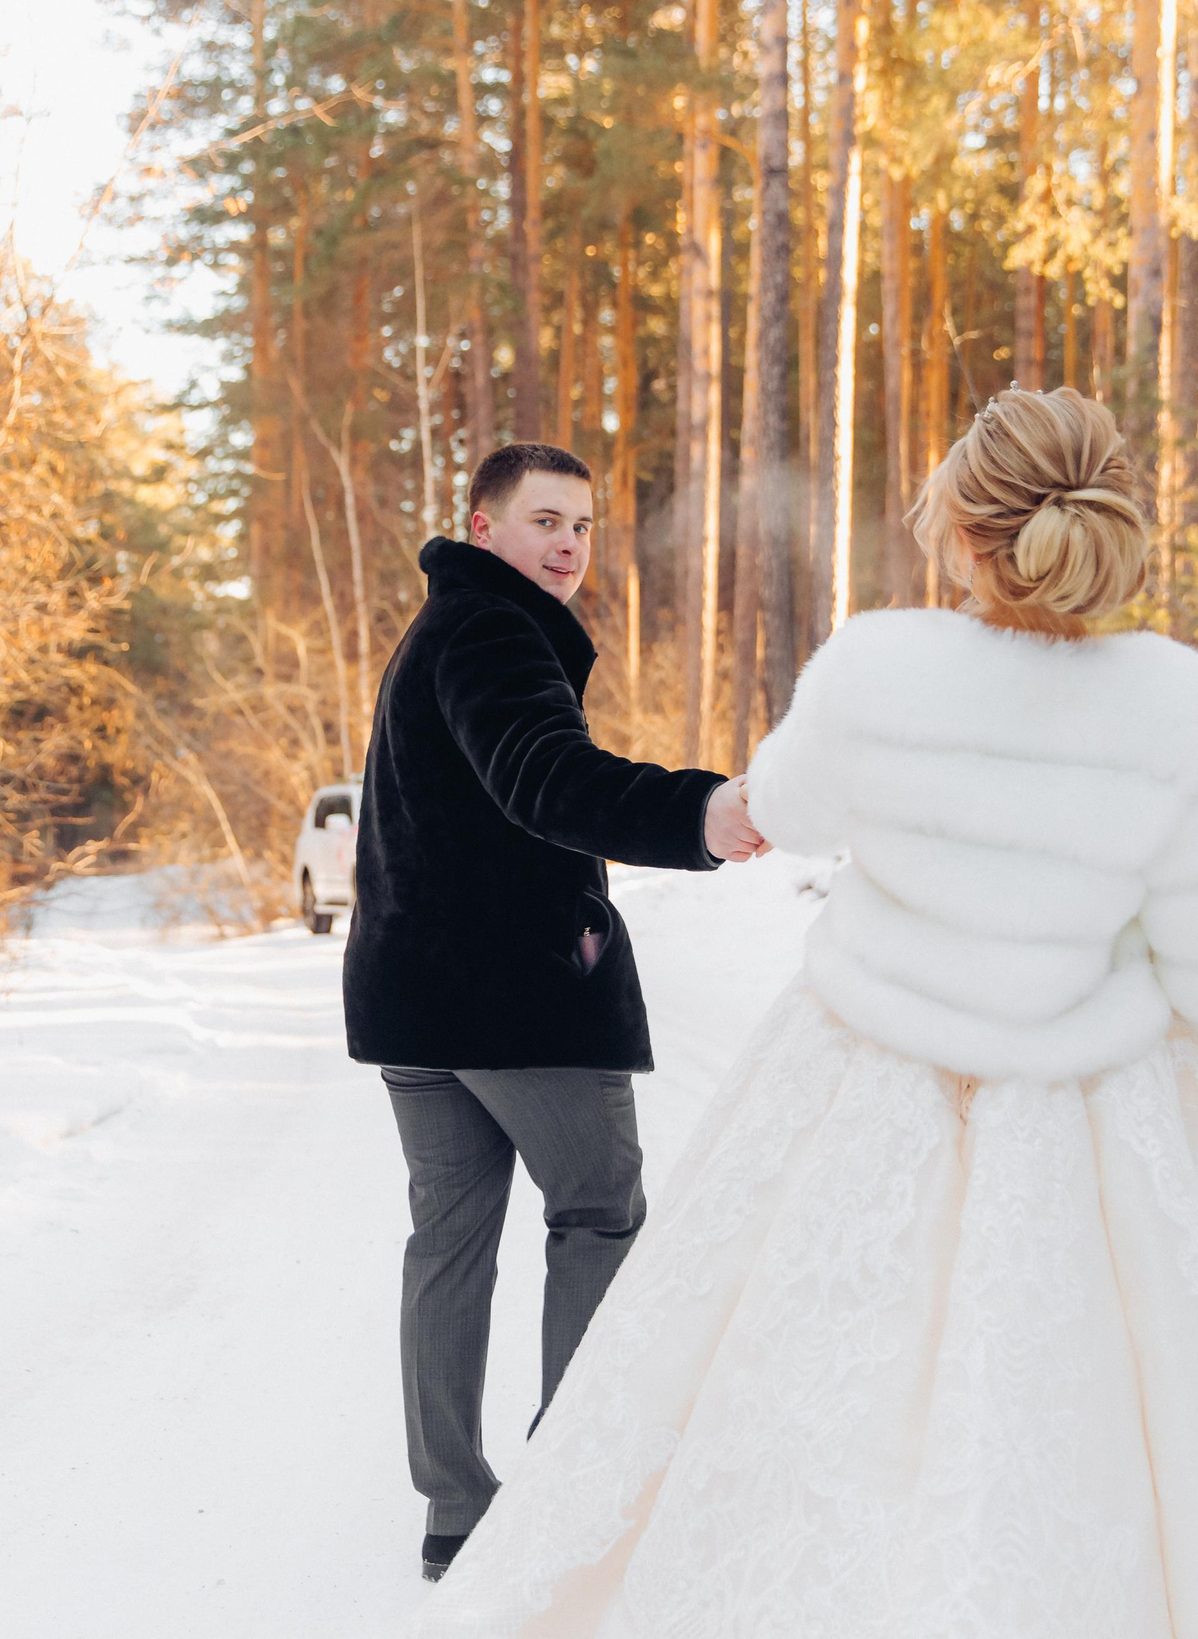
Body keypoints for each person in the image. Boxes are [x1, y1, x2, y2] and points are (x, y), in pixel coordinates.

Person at [413, 391, 1198, 1637]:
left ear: (963, 530)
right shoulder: (1185, 712)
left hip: (866, 1096)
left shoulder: (881, 672)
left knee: (803, 1409)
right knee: (1124, 1433)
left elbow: (790, 804)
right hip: (1101, 1118)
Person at [344, 441, 770, 1586]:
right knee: (597, 1217)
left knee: (447, 1245)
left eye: (581, 525)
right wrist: (703, 813)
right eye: (542, 522)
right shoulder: (492, 630)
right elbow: (546, 775)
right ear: (481, 529)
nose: (568, 546)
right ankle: (569, 1494)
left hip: (417, 1007)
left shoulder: (442, 629)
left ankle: (454, 1514)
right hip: (518, 1000)